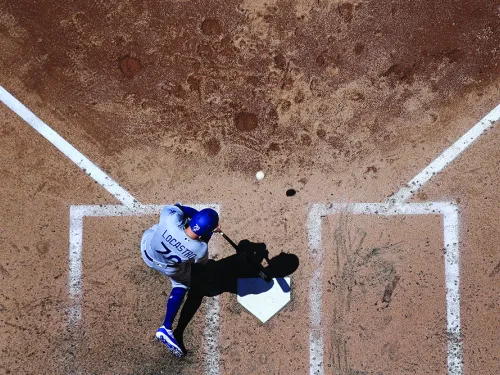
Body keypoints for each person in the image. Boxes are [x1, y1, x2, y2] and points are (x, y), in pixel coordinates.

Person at [140, 203, 220, 357]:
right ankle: (166, 327)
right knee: (182, 284)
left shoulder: (170, 219)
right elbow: (201, 262)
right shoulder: (200, 248)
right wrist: (210, 232)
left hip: (146, 250)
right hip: (167, 267)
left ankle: (167, 329)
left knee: (157, 228)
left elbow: (180, 208)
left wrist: (196, 217)